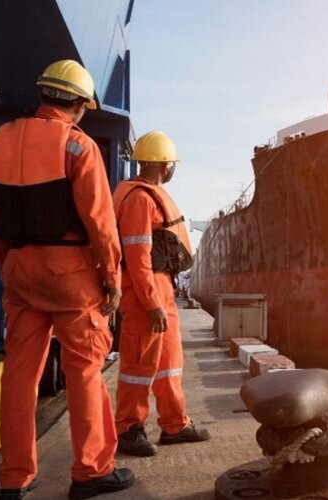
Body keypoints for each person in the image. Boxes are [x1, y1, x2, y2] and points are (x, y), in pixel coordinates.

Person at [0, 59, 135, 500]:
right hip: (73, 280)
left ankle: (13, 478)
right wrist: (112, 280)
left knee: (19, 378)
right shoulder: (78, 147)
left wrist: (9, 265)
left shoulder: (1, 143)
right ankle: (90, 472)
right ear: (80, 106)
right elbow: (100, 224)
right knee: (85, 373)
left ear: (43, 94)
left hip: (20, 275)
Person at [113, 130, 210, 457]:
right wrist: (151, 302)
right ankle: (128, 428)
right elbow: (137, 256)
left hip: (161, 289)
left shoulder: (145, 194)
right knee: (138, 365)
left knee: (170, 362)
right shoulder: (139, 199)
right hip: (145, 293)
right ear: (165, 164)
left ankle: (175, 424)